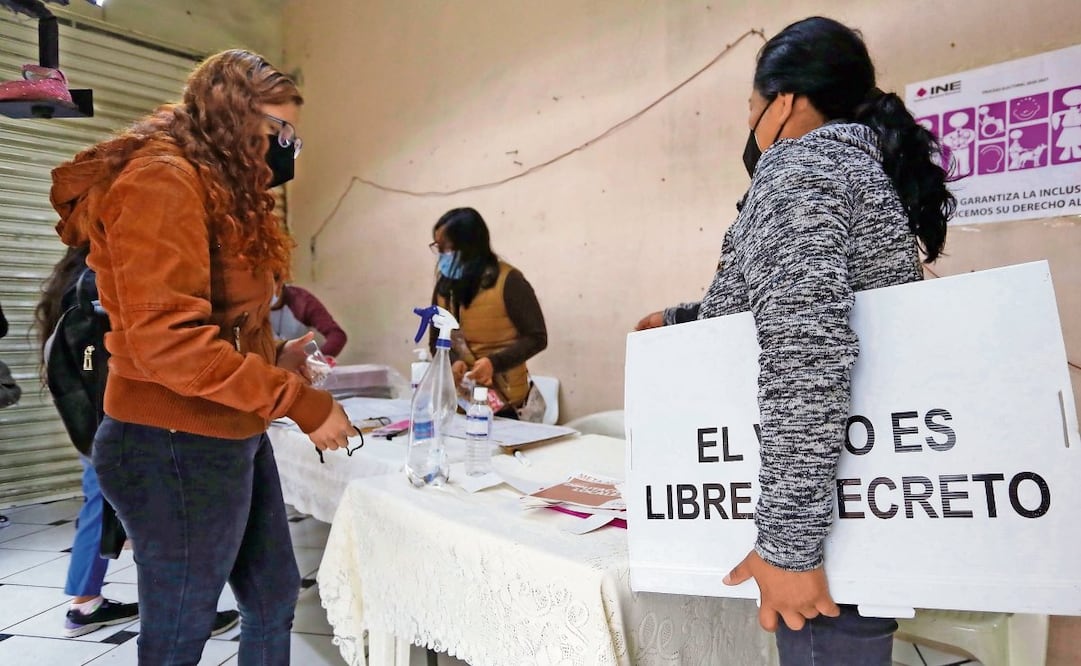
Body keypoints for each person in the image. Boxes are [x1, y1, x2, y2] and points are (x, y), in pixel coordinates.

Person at [637, 17, 953, 665]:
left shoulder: (800, 171)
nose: (749, 125)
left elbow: (806, 352)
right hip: (852, 503)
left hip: (821, 531)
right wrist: (679, 321)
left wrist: (788, 545)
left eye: (751, 108)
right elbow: (802, 304)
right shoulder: (858, 171)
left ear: (785, 103)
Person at [49, 49, 356, 665]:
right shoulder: (161, 181)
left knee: (270, 601)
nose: (287, 147)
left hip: (225, 426)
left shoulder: (218, 187)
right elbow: (169, 341)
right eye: (278, 130)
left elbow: (222, 325)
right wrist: (301, 402)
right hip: (170, 439)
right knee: (180, 631)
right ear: (228, 119)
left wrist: (278, 359)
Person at [36, 246, 240, 638]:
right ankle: (184, 612)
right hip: (128, 414)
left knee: (101, 501)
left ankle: (85, 602)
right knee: (167, 512)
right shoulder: (110, 274)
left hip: (91, 417)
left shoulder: (75, 280)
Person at [429, 207, 547, 419]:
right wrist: (453, 362)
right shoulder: (444, 288)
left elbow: (537, 337)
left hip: (506, 405)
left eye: (447, 249)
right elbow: (436, 341)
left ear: (470, 246)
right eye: (438, 248)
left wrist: (494, 363)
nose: (442, 256)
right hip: (461, 403)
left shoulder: (509, 282)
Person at [269, 277, 348, 359]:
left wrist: (314, 361)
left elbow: (337, 334)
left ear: (279, 285)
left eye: (266, 289)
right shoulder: (256, 305)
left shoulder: (301, 301)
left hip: (305, 363)